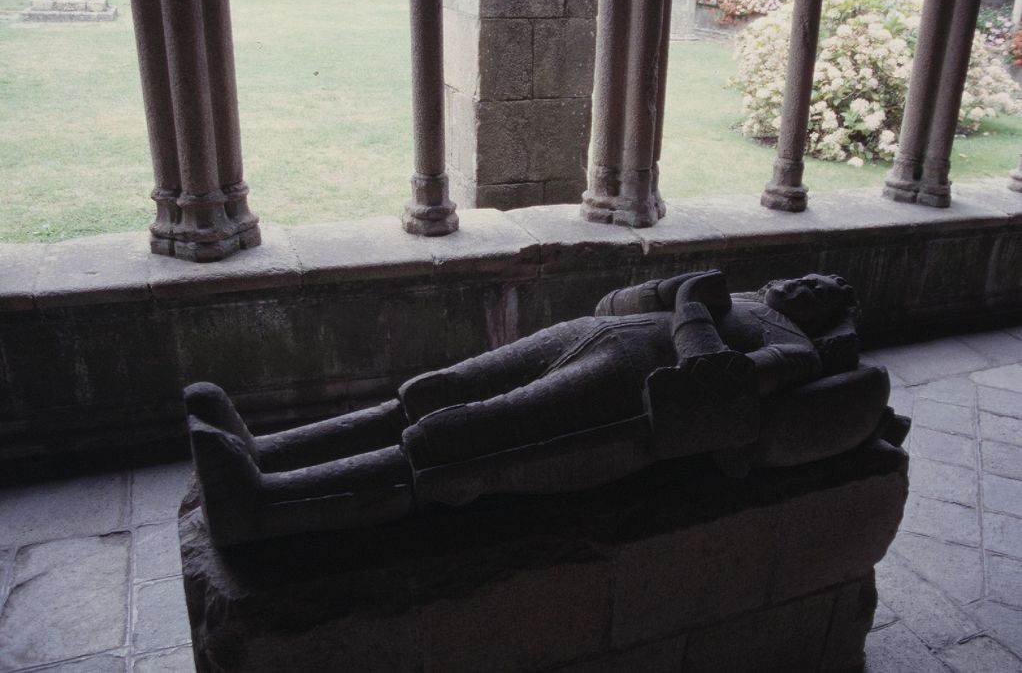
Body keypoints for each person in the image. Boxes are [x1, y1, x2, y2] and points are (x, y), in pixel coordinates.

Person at [187, 270, 867, 547]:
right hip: (585, 334)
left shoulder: (794, 349)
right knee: (431, 391)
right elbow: (611, 302)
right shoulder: (743, 295)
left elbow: (713, 386)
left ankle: (265, 505)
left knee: (462, 443)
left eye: (824, 294)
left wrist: (690, 305)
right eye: (809, 277)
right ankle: (268, 451)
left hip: (622, 393)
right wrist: (667, 287)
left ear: (830, 318)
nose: (809, 287)